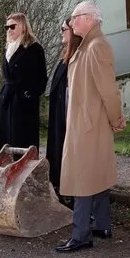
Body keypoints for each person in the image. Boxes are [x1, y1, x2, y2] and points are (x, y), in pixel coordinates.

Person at [56, 2, 125, 253]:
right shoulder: (88, 45)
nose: (71, 23)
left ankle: (81, 234)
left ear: (89, 18)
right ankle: (102, 225)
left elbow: (108, 89)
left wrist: (116, 118)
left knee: (83, 179)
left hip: (88, 125)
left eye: (75, 18)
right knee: (96, 174)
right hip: (87, 122)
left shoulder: (96, 47)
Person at [0, 12, 47, 152]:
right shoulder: (9, 48)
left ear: (23, 26)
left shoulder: (34, 48)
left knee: (23, 139)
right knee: (6, 141)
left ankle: (24, 167)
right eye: (7, 27)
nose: (9, 30)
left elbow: (42, 78)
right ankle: (8, 167)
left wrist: (29, 94)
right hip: (8, 98)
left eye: (12, 26)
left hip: (24, 101)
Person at [46, 19, 81, 204]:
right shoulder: (65, 56)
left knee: (69, 155)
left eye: (64, 29)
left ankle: (73, 195)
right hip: (60, 116)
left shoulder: (77, 57)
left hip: (68, 116)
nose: (61, 32)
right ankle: (64, 190)